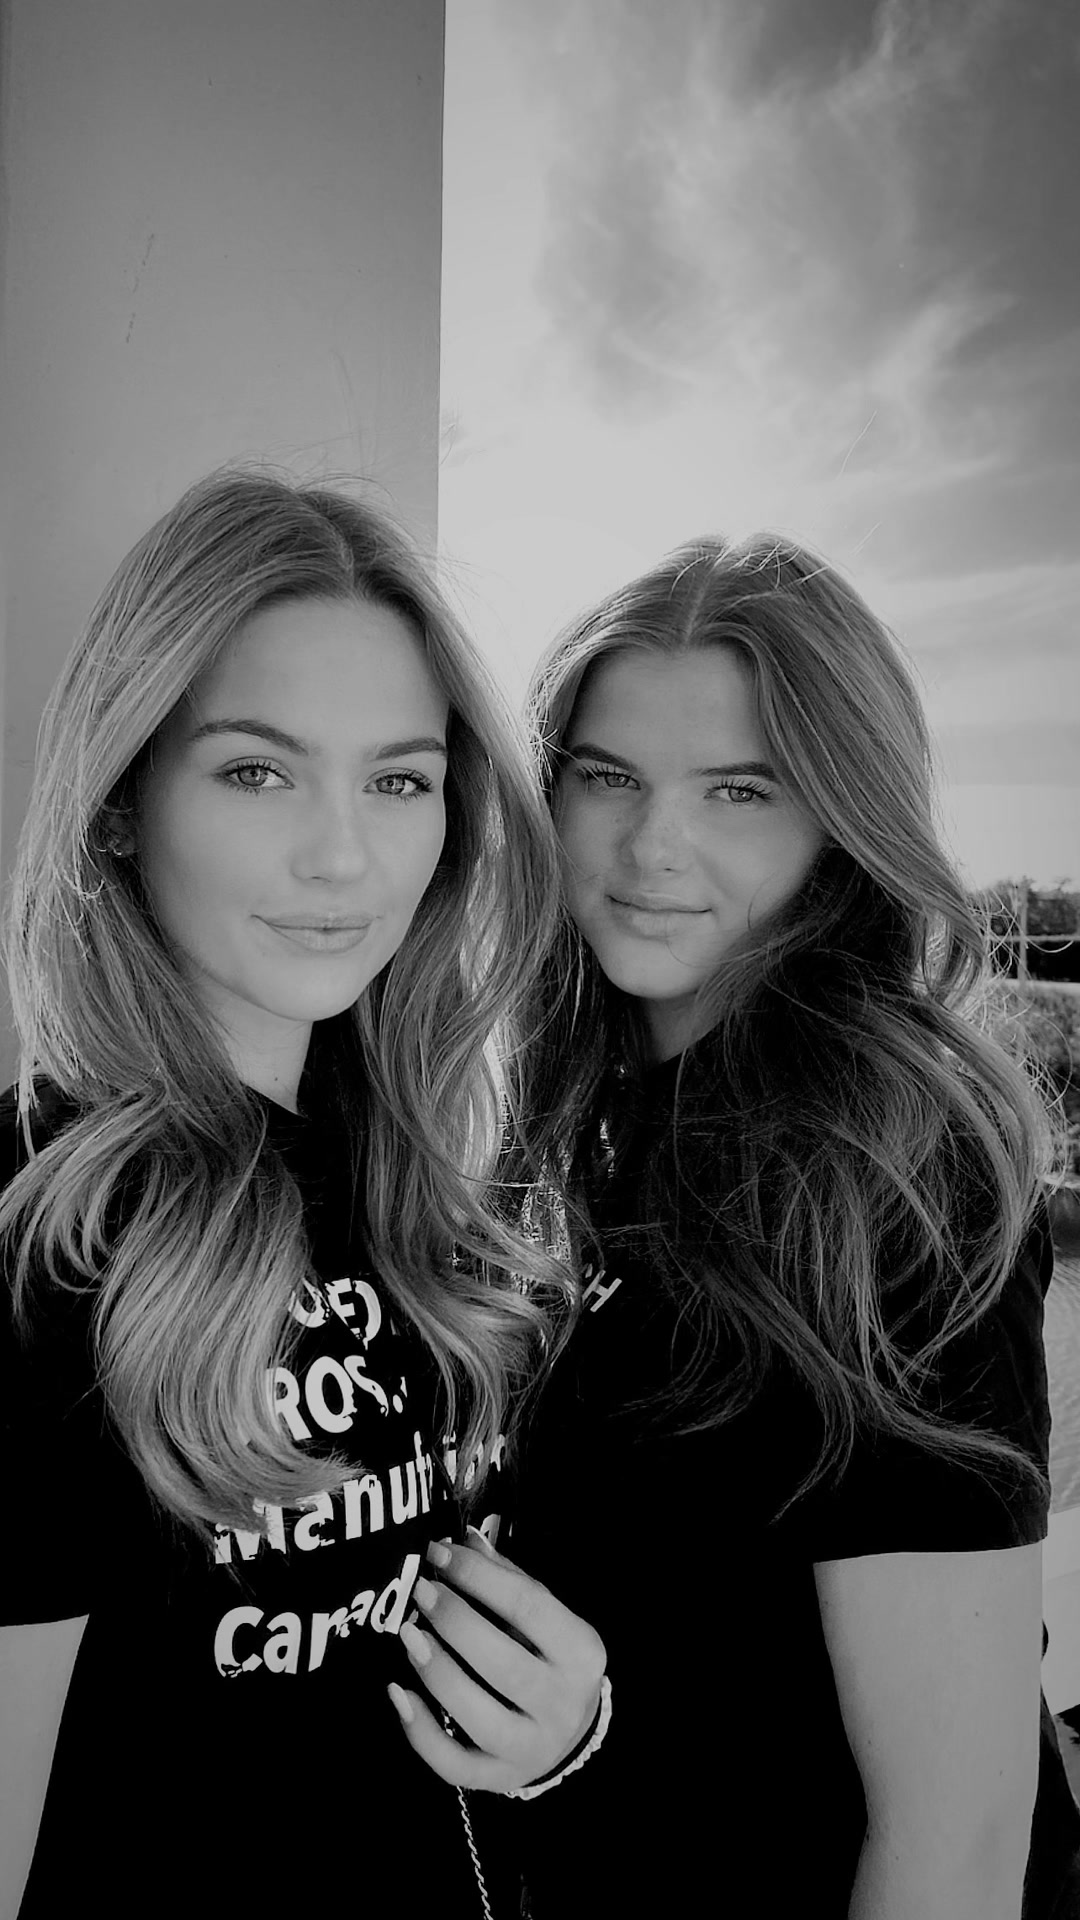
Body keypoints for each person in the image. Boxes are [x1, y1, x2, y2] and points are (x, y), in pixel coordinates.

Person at [0, 471, 607, 1920]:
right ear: (121, 804)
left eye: (398, 780)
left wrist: (559, 1739)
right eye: (256, 772)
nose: (343, 856)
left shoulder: (411, 1180)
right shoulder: (46, 1234)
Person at [499, 535, 1080, 1917]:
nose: (653, 845)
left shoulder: (893, 1176)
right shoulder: (594, 1124)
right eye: (608, 777)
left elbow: (956, 1843)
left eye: (741, 790)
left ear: (841, 826)